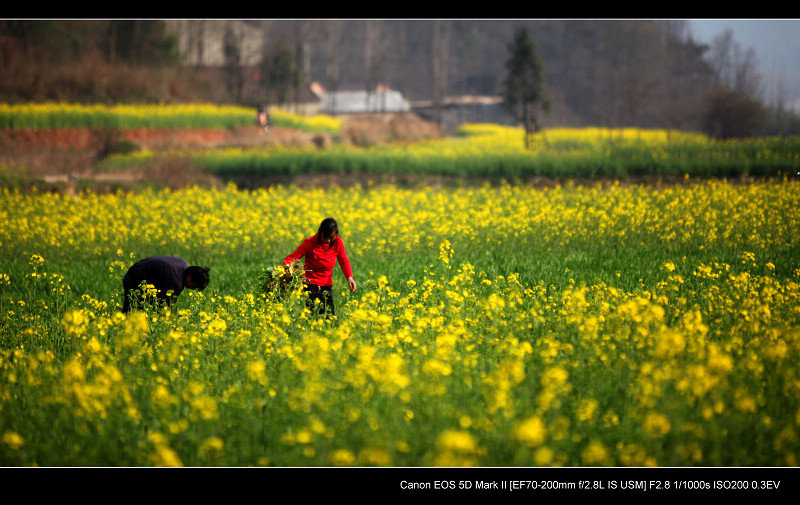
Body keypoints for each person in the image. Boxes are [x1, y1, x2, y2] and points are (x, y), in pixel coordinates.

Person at [283, 217, 356, 317]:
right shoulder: (310, 243)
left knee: (330, 317)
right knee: (312, 317)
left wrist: (349, 277)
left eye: (332, 237)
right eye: (326, 237)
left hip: (327, 286)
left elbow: (343, 260)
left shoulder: (337, 242)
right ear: (320, 232)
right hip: (310, 286)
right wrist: (285, 267)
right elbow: (294, 257)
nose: (329, 240)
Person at [122, 256, 209, 313]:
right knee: (132, 312)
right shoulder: (176, 281)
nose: (192, 289)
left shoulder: (183, 263)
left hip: (137, 269)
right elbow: (164, 305)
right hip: (133, 279)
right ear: (189, 277)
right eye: (193, 286)